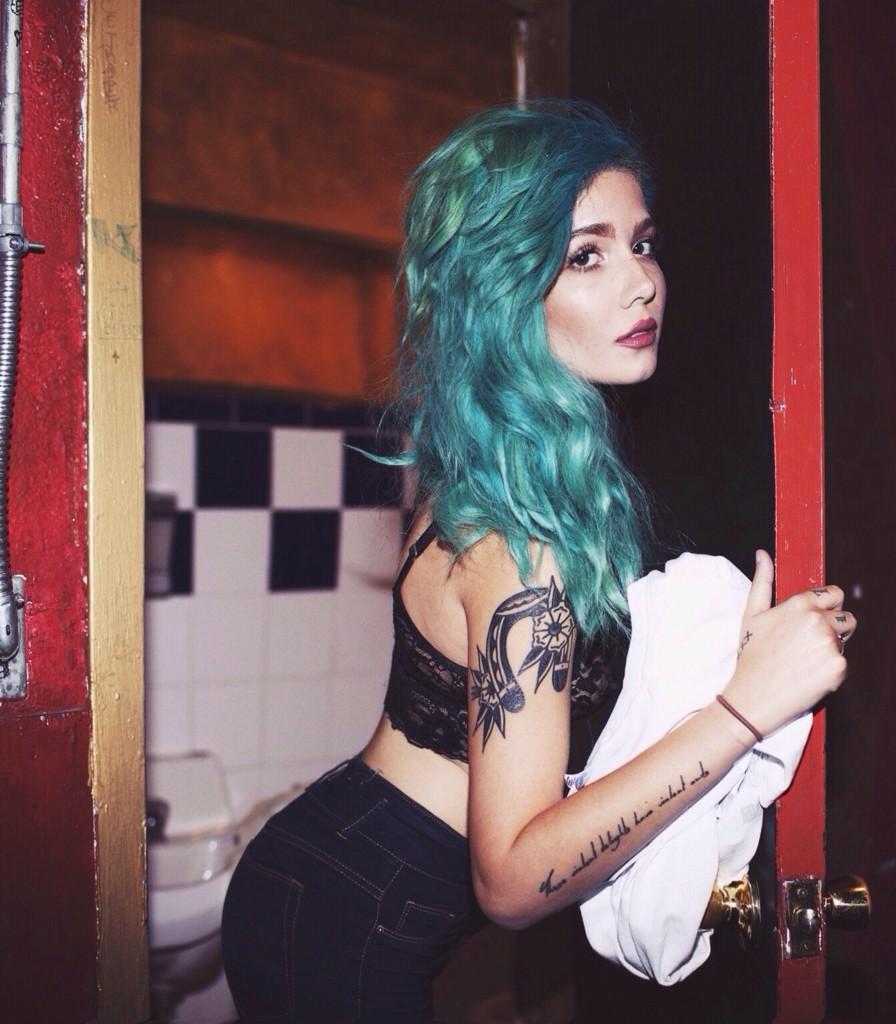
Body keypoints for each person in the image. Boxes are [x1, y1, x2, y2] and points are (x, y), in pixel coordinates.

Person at [221, 102, 855, 1022]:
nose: (641, 283)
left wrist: (731, 660)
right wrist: (745, 706)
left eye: (642, 244)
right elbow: (513, 880)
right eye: (586, 256)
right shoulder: (521, 540)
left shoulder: (512, 470)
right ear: (504, 292)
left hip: (333, 870)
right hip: (348, 918)